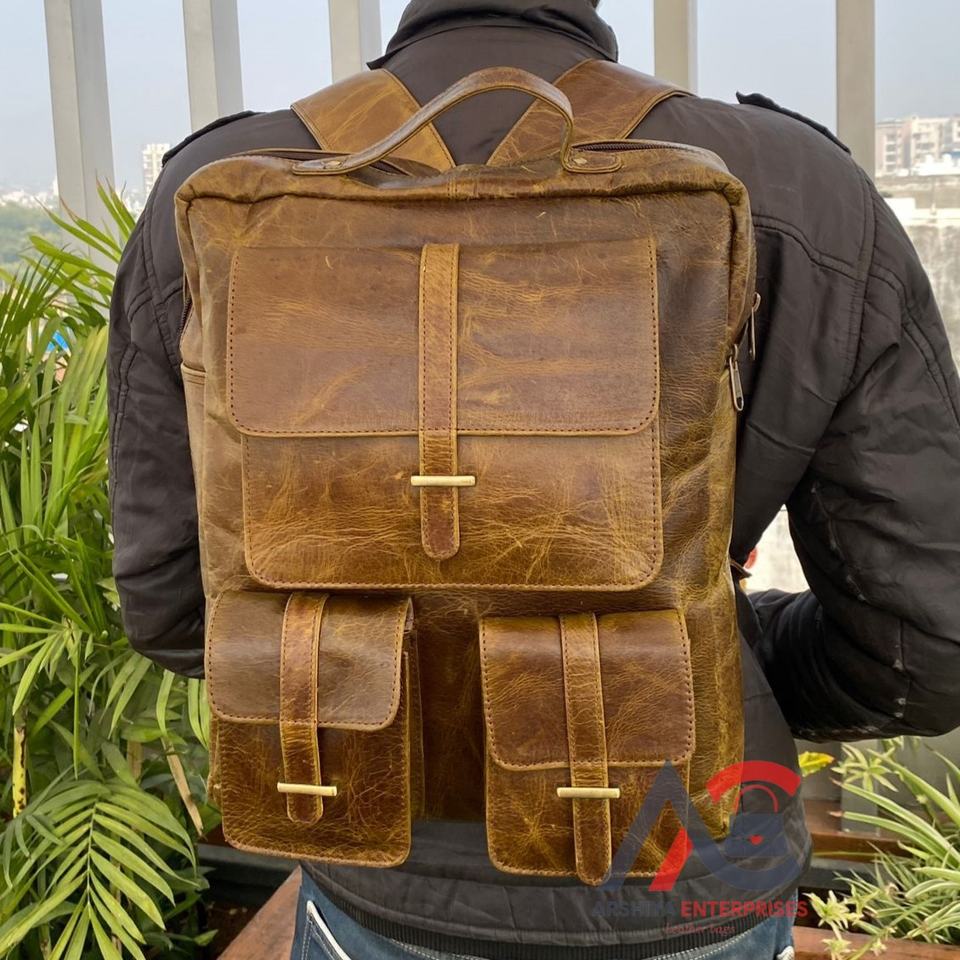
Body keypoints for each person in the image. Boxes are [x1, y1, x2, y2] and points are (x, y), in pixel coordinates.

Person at [107, 1, 960, 957]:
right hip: (688, 866)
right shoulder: (802, 188)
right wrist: (711, 655)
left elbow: (171, 604)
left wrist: (372, 665)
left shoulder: (218, 190)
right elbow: (927, 646)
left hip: (370, 859)